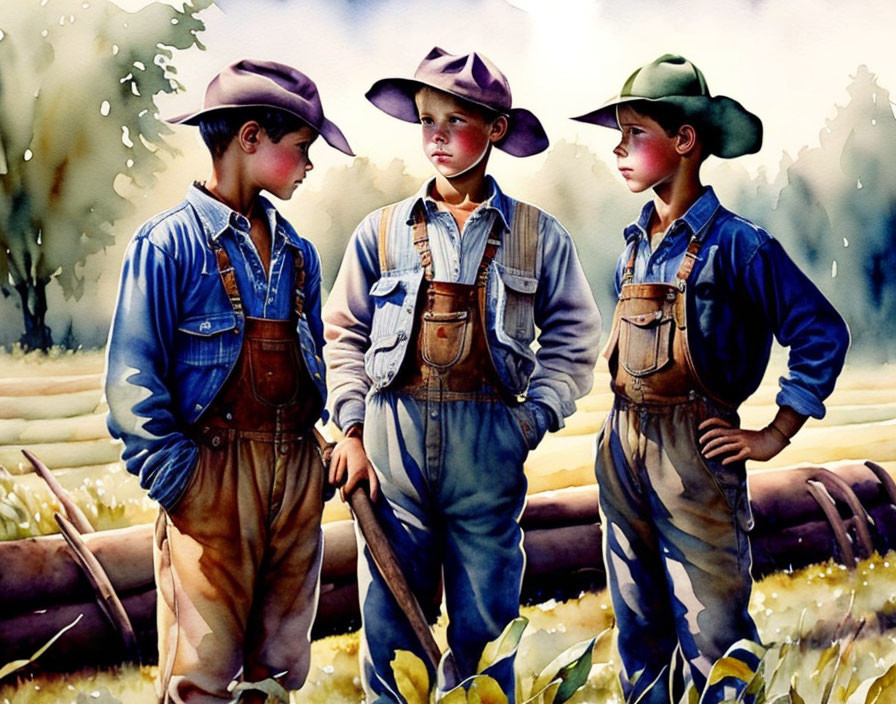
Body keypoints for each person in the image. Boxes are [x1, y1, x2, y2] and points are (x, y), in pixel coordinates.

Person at [322, 47, 601, 702]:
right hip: (394, 453)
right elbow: (343, 334)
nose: (437, 137)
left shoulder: (536, 236)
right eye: (425, 120)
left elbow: (576, 338)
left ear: (497, 129)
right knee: (391, 633)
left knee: (486, 627)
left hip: (488, 453)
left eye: (456, 120)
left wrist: (532, 419)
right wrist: (353, 431)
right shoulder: (380, 232)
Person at [571, 54, 850, 703]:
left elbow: (820, 332)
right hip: (622, 448)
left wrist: (775, 432)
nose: (618, 149)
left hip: (693, 457)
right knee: (639, 635)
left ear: (686, 140)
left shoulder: (738, 245)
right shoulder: (634, 246)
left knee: (713, 639)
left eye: (634, 133)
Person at [104, 59, 353, 703]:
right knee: (204, 670)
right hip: (210, 476)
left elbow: (310, 365)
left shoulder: (298, 253)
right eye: (301, 149)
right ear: (249, 139)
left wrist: (310, 456)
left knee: (279, 665)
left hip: (294, 476)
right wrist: (183, 482)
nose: (309, 165)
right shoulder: (166, 246)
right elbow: (132, 383)